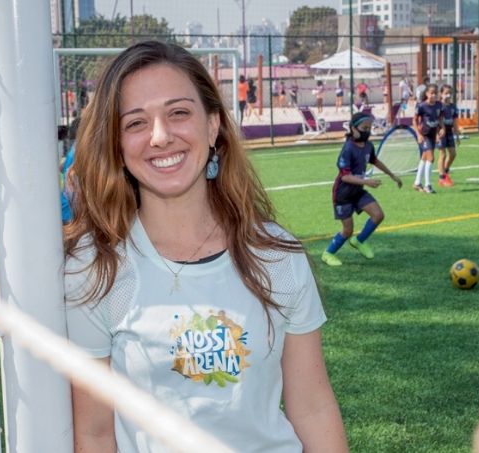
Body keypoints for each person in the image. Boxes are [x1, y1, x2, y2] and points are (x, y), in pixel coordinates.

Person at [64, 40, 348, 453]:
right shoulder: (95, 268)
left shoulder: (276, 254)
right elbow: (94, 433)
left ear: (212, 125)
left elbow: (313, 406)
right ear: (117, 145)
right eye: (136, 123)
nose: (160, 137)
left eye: (179, 113)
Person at [321, 112, 402, 267]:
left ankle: (359, 241)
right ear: (353, 128)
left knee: (378, 215)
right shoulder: (348, 148)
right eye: (364, 128)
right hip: (343, 194)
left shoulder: (368, 146)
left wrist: (392, 175)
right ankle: (328, 253)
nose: (367, 131)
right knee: (347, 230)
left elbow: (375, 161)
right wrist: (367, 181)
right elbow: (345, 177)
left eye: (369, 128)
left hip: (358, 192)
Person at [413, 84, 443, 194]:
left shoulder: (439, 105)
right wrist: (418, 134)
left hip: (432, 135)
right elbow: (415, 120)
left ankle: (417, 183)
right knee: (431, 158)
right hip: (424, 135)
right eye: (431, 93)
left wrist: (442, 129)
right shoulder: (421, 106)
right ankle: (427, 185)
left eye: (435, 93)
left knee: (424, 158)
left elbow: (439, 119)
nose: (433, 95)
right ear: (426, 94)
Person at [437, 84, 460, 187]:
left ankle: (445, 172)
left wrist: (457, 134)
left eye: (450, 93)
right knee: (443, 154)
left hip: (449, 132)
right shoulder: (438, 106)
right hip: (441, 132)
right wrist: (437, 134)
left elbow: (455, 121)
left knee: (453, 154)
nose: (448, 95)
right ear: (441, 94)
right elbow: (437, 119)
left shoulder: (453, 107)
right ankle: (441, 178)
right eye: (446, 93)